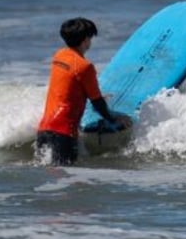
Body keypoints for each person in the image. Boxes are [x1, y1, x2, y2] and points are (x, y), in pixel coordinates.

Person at [35, 18, 132, 165]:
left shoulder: (59, 56)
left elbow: (67, 86)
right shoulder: (85, 67)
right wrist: (114, 119)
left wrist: (90, 94)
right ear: (86, 39)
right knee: (65, 178)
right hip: (64, 132)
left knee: (48, 177)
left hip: (44, 128)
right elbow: (97, 103)